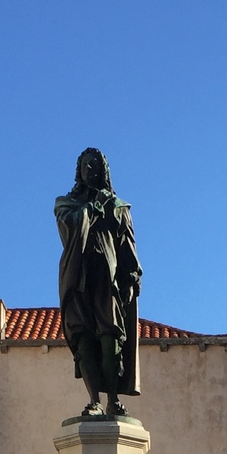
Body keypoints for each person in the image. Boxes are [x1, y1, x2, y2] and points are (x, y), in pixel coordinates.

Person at [55, 147, 142, 416]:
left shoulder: (118, 208)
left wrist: (130, 280)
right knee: (83, 339)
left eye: (95, 166)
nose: (90, 170)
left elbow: (128, 250)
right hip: (76, 278)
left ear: (104, 171)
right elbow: (70, 228)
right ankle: (94, 400)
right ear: (78, 171)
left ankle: (113, 399)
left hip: (108, 281)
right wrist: (92, 208)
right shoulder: (65, 205)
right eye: (85, 166)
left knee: (110, 338)